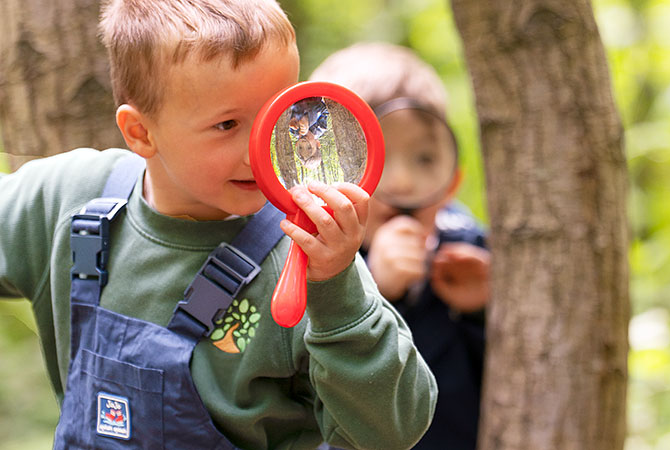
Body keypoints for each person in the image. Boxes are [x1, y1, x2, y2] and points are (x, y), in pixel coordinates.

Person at [0, 4, 437, 449]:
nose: (259, 151)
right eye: (226, 124)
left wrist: (337, 294)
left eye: (278, 114)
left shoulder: (307, 254)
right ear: (140, 133)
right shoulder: (69, 200)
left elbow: (395, 429)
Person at [310, 42, 491, 450]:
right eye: (376, 156)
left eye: (425, 159)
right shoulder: (308, 268)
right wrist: (370, 292)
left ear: (452, 180)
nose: (405, 183)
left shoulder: (470, 247)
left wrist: (482, 311)